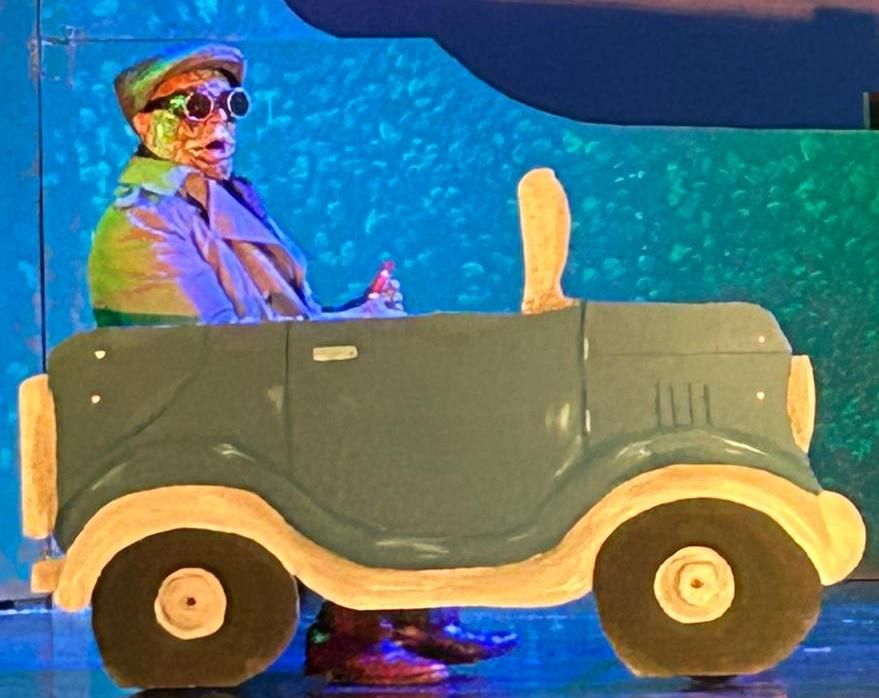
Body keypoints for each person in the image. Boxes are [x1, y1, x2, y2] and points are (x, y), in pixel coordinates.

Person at [88, 42, 516, 686]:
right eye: (196, 107)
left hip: (257, 393)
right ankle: (351, 634)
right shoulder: (143, 225)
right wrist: (351, 328)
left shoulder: (222, 201)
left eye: (231, 105)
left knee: (416, 407)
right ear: (148, 125)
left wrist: (358, 315)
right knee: (361, 433)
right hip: (202, 415)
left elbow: (286, 322)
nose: (219, 122)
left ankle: (410, 613)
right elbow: (213, 352)